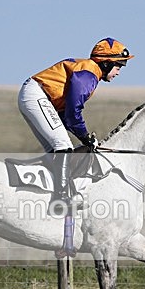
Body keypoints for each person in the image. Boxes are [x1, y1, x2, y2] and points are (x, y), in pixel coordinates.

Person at [18, 37, 134, 208]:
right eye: (118, 66)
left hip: (36, 95)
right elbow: (73, 112)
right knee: (63, 145)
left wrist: (83, 137)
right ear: (106, 63)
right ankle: (61, 198)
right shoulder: (88, 74)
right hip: (37, 95)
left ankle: (46, 194)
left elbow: (68, 115)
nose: (118, 72)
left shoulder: (89, 72)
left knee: (55, 150)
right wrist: (85, 137)